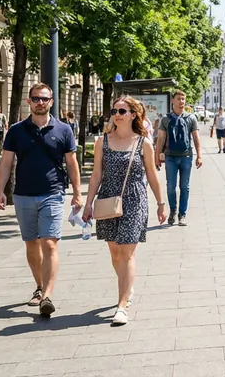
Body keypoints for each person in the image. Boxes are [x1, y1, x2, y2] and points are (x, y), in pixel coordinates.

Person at [0, 83, 82, 317]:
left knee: (50, 242)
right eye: (36, 98)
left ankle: (47, 296)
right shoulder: (16, 130)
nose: (40, 102)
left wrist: (77, 192)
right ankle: (40, 286)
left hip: (53, 193)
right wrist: (0, 191)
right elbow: (5, 162)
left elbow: (72, 163)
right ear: (29, 102)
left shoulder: (63, 129)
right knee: (31, 243)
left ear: (51, 101)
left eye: (44, 98)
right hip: (23, 194)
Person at [82, 96, 165, 325]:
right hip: (108, 200)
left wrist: (160, 203)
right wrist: (88, 203)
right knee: (115, 253)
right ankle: (127, 286)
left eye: (122, 110)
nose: (117, 114)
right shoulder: (102, 142)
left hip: (135, 200)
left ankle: (121, 305)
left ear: (133, 115)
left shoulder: (143, 143)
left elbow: (152, 174)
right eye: (115, 110)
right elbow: (97, 175)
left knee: (126, 252)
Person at [155, 90, 202, 226]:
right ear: (173, 101)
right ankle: (173, 211)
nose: (182, 101)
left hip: (186, 157)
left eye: (183, 99)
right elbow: (161, 139)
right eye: (179, 99)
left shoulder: (191, 118)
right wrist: (157, 156)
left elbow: (196, 138)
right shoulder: (166, 119)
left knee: (184, 187)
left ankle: (182, 214)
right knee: (171, 187)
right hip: (170, 157)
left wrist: (199, 155)